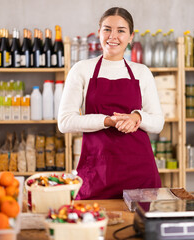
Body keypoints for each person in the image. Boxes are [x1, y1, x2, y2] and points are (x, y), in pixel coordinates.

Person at [58, 7, 164, 200]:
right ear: (99, 32)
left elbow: (158, 123)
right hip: (98, 171)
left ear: (131, 36)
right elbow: (65, 122)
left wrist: (136, 117)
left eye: (121, 30)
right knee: (94, 226)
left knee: (139, 228)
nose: (112, 36)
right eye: (107, 29)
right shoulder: (81, 70)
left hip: (140, 172)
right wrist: (108, 121)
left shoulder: (141, 72)